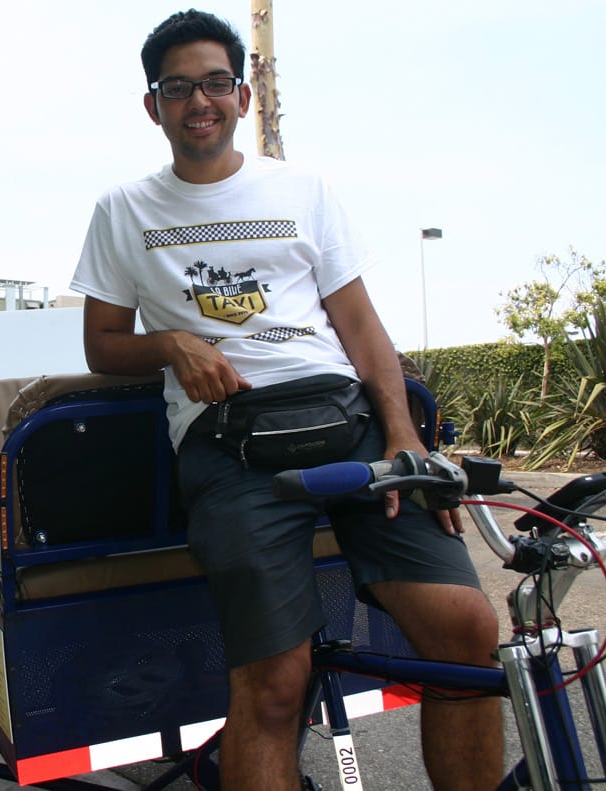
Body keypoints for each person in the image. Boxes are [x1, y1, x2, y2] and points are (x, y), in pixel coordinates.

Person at [71, 9, 503, 790]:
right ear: (153, 106)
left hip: (350, 426)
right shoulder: (122, 210)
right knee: (275, 680)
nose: (197, 101)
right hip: (229, 448)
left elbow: (361, 325)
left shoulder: (303, 188)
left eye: (212, 83)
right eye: (177, 88)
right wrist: (171, 343)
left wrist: (402, 431)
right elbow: (101, 345)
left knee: (466, 631)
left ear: (239, 94)